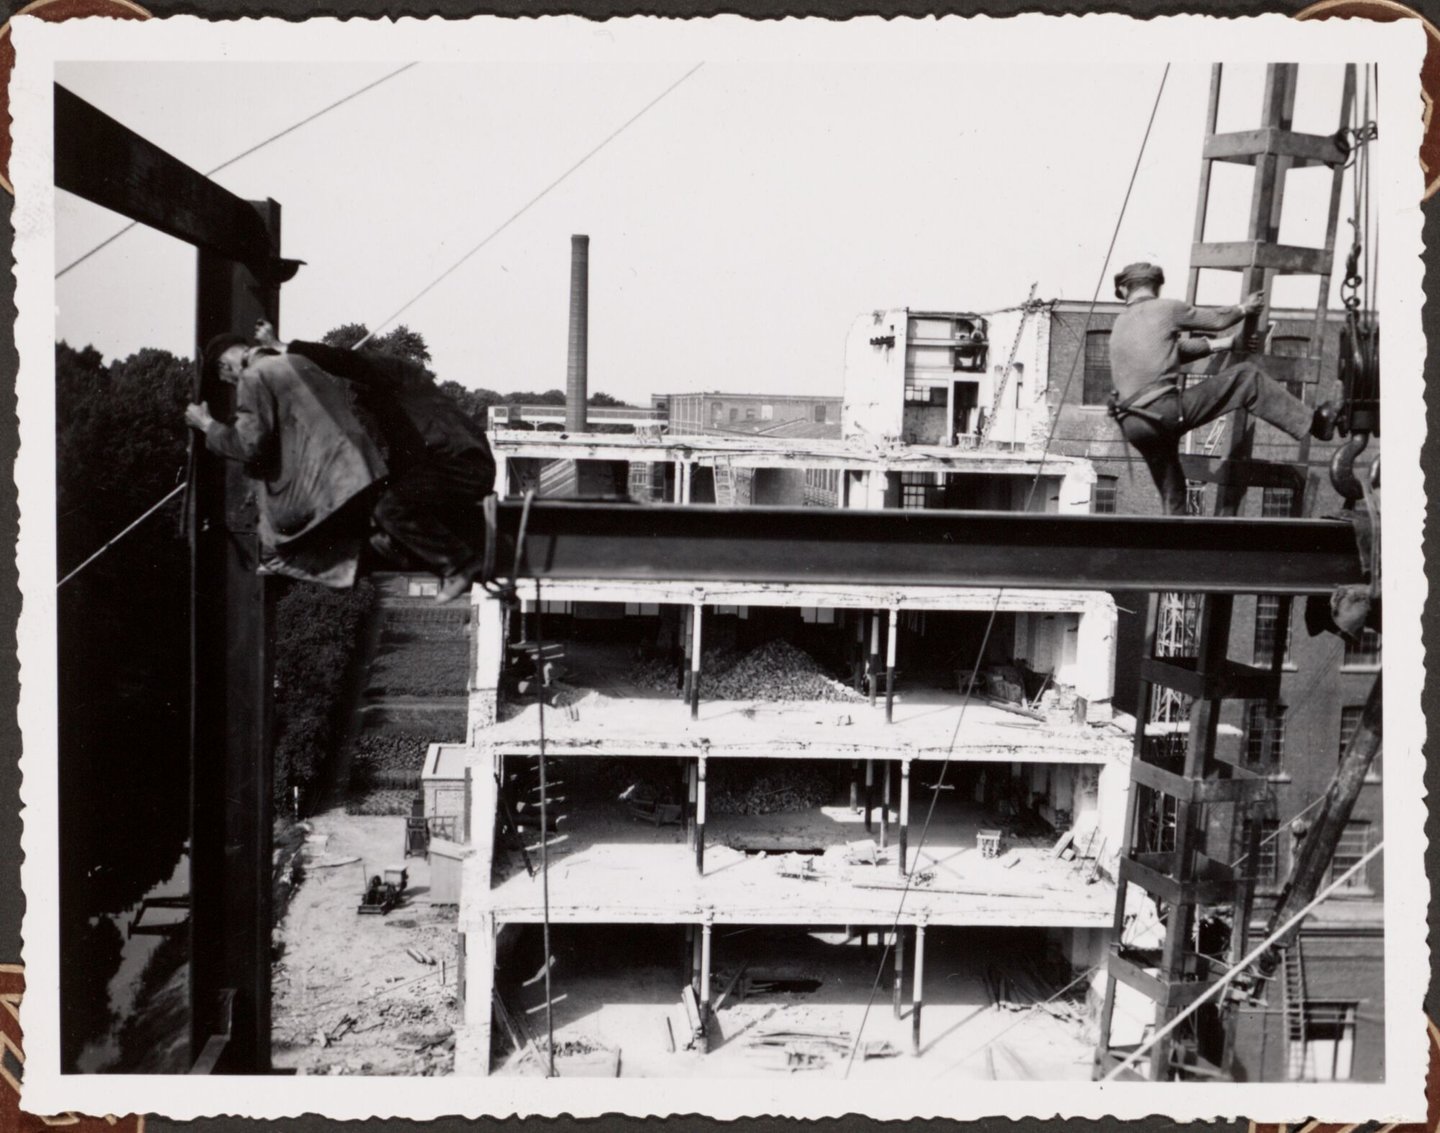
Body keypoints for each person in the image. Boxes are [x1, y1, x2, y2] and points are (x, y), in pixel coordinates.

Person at [253, 321, 497, 604]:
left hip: (463, 463)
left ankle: (461, 565)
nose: (359, 404)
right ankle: (323, 563)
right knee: (378, 511)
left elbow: (349, 361)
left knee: (391, 508)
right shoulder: (399, 422)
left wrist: (286, 348)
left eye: (359, 397)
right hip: (447, 470)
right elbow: (399, 472)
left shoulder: (399, 374)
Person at [1106, 262, 1338, 515]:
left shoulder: (1120, 324)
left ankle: (1175, 547)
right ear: (1157, 287)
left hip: (1133, 423)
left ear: (1124, 289)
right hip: (1162, 413)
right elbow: (1215, 320)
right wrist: (1243, 308)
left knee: (1172, 492)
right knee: (1246, 379)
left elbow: (1174, 350)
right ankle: (1316, 423)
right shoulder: (1166, 308)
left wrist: (1227, 343)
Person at [184, 334, 388, 589]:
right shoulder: (297, 360)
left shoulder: (252, 376)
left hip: (331, 488)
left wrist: (207, 425)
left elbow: (249, 446)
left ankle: (348, 572)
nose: (232, 385)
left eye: (227, 381)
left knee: (271, 551)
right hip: (366, 472)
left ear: (225, 366)